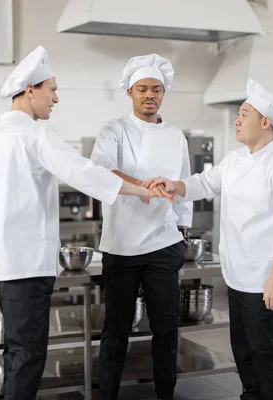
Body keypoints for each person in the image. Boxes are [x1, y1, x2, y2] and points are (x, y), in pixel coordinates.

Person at [0, 46, 167, 400]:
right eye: (52, 89)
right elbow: (83, 172)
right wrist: (138, 191)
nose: (56, 99)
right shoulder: (35, 135)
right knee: (29, 357)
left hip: (5, 265)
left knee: (16, 354)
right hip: (29, 267)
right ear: (31, 90)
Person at [145, 79, 273, 400]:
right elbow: (205, 183)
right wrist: (175, 184)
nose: (237, 120)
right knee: (243, 349)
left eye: (244, 114)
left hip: (263, 278)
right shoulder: (235, 159)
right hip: (237, 275)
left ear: (265, 122)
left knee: (265, 351)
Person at [90, 53, 192, 400]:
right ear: (130, 92)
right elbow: (102, 170)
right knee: (116, 330)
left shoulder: (176, 135)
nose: (151, 95)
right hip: (121, 245)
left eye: (157, 89)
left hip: (164, 243)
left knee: (166, 329)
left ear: (163, 93)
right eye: (144, 89)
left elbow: (184, 185)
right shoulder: (114, 130)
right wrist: (145, 186)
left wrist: (183, 232)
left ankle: (166, 395)